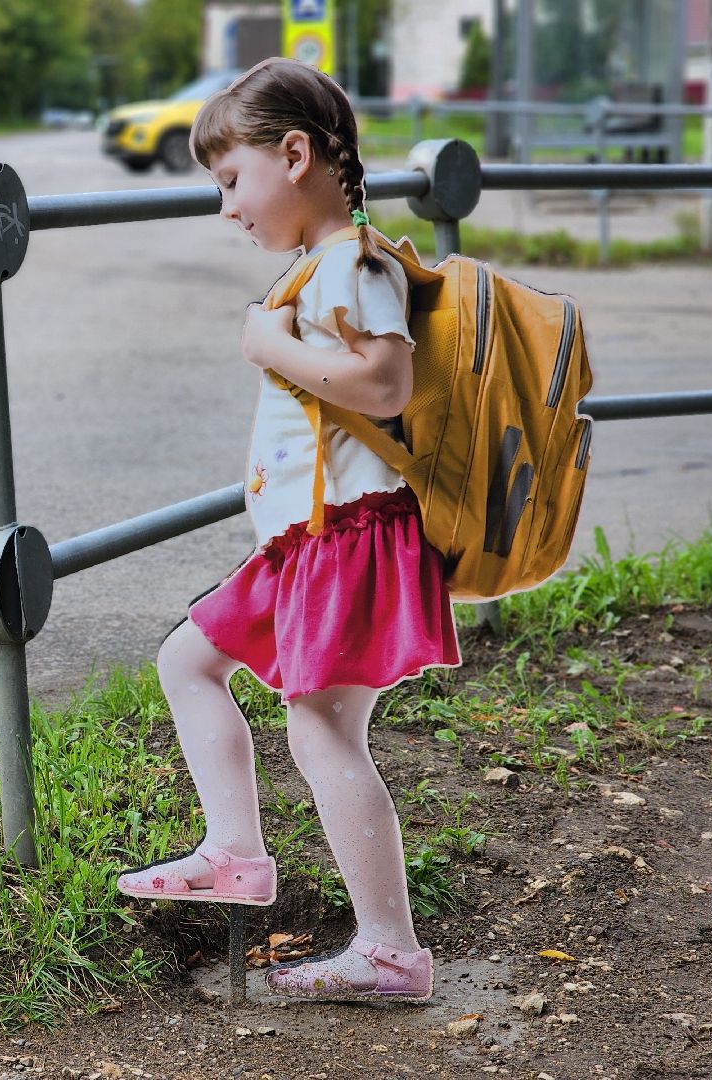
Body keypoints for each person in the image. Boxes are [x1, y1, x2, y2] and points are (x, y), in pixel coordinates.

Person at [114, 58, 461, 1003]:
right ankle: (234, 852)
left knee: (323, 731)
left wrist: (270, 344)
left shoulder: (352, 262)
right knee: (189, 662)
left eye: (233, 181)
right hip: (308, 542)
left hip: (348, 538)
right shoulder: (324, 266)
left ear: (295, 156)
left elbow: (384, 384)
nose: (228, 208)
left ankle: (389, 952)